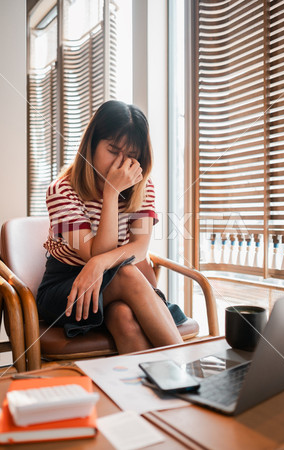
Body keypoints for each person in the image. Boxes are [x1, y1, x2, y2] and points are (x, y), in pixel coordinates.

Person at [36, 100, 183, 354]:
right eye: (113, 150)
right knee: (126, 274)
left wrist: (101, 264)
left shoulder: (142, 186)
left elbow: (140, 248)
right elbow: (95, 253)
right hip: (67, 286)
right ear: (91, 144)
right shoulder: (62, 190)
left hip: (117, 278)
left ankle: (147, 392)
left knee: (124, 317)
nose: (120, 164)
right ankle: (187, 369)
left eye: (131, 156)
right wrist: (112, 193)